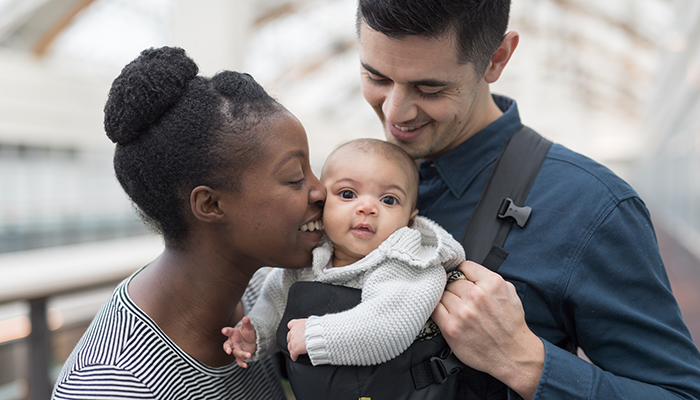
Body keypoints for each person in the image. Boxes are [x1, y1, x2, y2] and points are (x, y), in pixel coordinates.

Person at [355, 1, 700, 399]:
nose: (395, 111)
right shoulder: (344, 184)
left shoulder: (590, 206)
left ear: (497, 59)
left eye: (429, 88)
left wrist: (524, 361)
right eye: (375, 76)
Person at [51, 46, 326, 400]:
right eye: (294, 178)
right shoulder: (113, 386)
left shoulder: (265, 295)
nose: (320, 191)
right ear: (210, 204)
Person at [222, 138, 464, 371]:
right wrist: (257, 333)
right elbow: (275, 301)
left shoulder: (408, 264)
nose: (367, 208)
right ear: (322, 202)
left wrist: (317, 335)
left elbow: (389, 327)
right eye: (348, 194)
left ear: (409, 219)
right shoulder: (312, 255)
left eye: (389, 200)